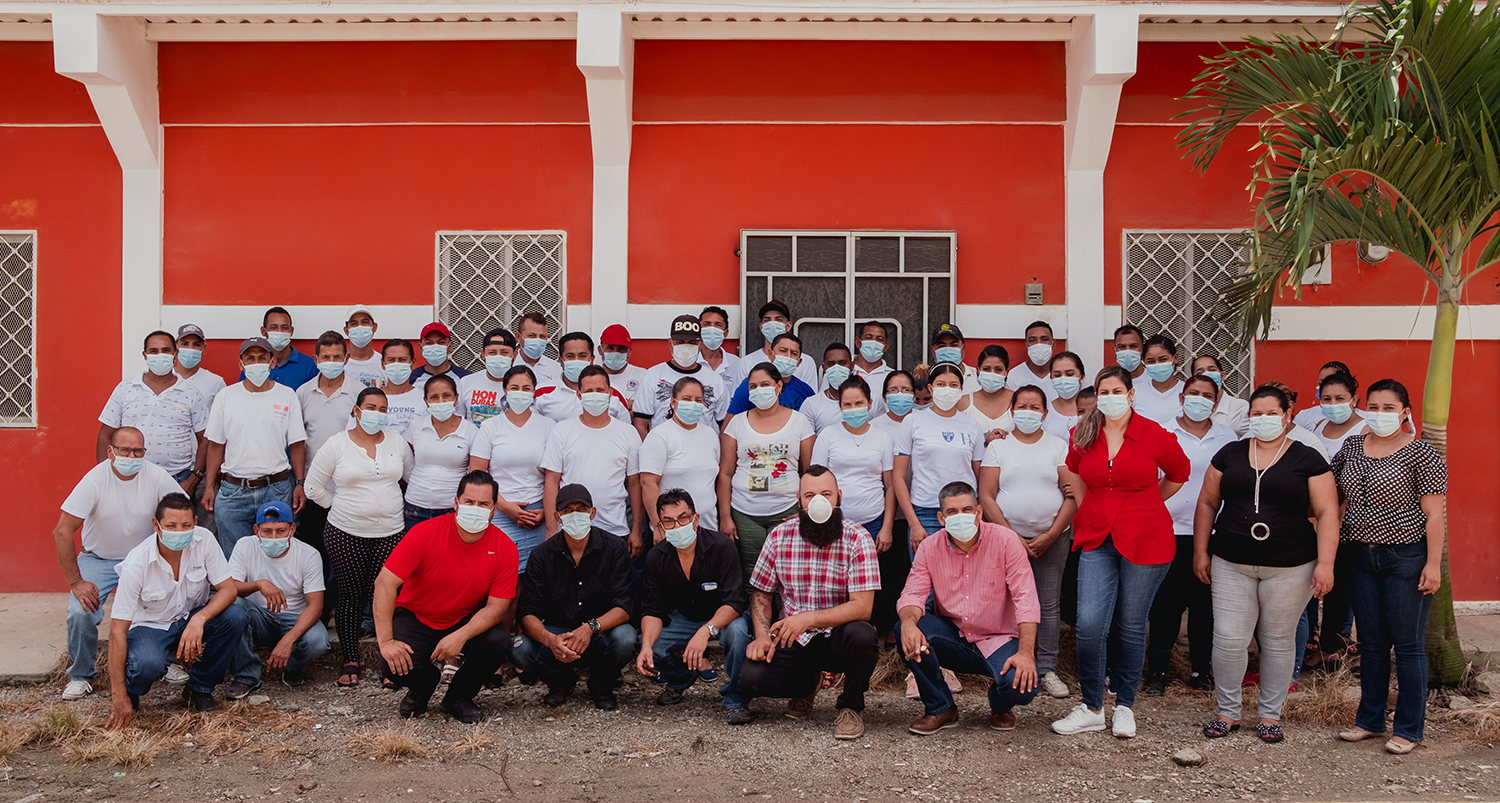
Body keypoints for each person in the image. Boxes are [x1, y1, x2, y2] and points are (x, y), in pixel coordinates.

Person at [1193, 384, 1338, 743]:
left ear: (1288, 416)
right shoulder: (1230, 454)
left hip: (1292, 565)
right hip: (1231, 561)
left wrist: (1326, 563)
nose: (1263, 420)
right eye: (1256, 414)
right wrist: (1200, 550)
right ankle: (1227, 711)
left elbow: (1327, 511)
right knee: (1228, 639)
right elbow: (1207, 503)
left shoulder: (1307, 458)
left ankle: (1270, 715)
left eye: (1271, 414)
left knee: (1277, 640)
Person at [1052, 365, 1189, 738]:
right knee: (1090, 624)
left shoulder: (1154, 434)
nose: (1109, 398)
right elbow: (1076, 472)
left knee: (1130, 624)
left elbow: (1180, 472)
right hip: (1097, 536)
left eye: (1117, 391)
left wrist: (1147, 502)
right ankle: (1093, 706)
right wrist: (1086, 505)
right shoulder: (1082, 433)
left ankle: (1125, 706)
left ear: (1130, 394)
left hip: (1147, 537)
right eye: (1103, 391)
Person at [1332, 379, 1445, 754]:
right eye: (1374, 407)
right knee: (1372, 643)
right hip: (1358, 556)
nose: (1380, 415)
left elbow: (1433, 514)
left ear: (1405, 413)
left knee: (1408, 645)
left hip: (1406, 558)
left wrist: (1432, 564)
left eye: (1388, 408)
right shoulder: (1351, 447)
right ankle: (1370, 721)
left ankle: (1409, 729)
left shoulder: (1422, 454)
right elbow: (1334, 497)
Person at [738, 467, 881, 739]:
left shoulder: (858, 538)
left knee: (862, 635)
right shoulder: (780, 536)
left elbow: (863, 607)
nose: (818, 501)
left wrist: (808, 618)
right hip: (794, 638)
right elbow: (761, 592)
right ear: (800, 500)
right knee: (751, 679)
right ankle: (806, 686)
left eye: (826, 494)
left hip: (838, 636)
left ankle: (851, 706)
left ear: (839, 497)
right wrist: (761, 636)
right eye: (810, 495)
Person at [374, 470, 519, 722]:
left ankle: (458, 696)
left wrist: (460, 637)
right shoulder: (424, 533)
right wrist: (386, 641)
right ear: (456, 503)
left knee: (499, 642)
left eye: (483, 504)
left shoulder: (506, 548)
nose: (476, 508)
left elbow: (497, 607)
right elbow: (385, 583)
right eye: (469, 502)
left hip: (465, 618)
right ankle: (423, 685)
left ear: (494, 509)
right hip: (417, 616)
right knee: (392, 664)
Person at [898, 481, 1040, 733]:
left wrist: (1026, 653)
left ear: (979, 512)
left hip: (998, 637)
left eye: (967, 509)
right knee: (905, 629)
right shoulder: (930, 547)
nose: (961, 517)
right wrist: (908, 624)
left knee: (1023, 686)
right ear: (941, 518)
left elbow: (1025, 599)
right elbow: (913, 593)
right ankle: (941, 708)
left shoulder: (1006, 541)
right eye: (952, 512)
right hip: (953, 636)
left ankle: (1000, 704)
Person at [54, 426, 183, 700]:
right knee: (80, 612)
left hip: (145, 558)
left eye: (138, 450)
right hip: (99, 558)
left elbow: (181, 511)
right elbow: (62, 531)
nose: (131, 455)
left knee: (169, 603)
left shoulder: (157, 476)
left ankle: (164, 662)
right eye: (124, 450)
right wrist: (76, 582)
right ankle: (81, 674)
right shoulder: (94, 480)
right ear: (111, 451)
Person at [103, 493, 247, 728]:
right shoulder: (136, 564)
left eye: (186, 525)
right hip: (151, 627)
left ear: (196, 523)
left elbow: (228, 589)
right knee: (146, 663)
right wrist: (117, 694)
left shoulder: (204, 540)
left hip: (190, 616)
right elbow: (117, 632)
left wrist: (199, 619)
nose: (179, 532)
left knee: (235, 615)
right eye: (171, 526)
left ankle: (199, 688)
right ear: (155, 525)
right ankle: (131, 691)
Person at [304, 387, 415, 688]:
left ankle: (389, 659)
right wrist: (339, 506)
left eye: (382, 408)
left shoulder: (396, 442)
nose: (376, 413)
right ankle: (350, 658)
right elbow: (312, 488)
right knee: (351, 596)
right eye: (370, 407)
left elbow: (408, 477)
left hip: (391, 533)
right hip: (345, 533)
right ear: (356, 410)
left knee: (387, 596)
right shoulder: (337, 445)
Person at [977, 385, 1077, 700]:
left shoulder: (1059, 446)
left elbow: (1073, 496)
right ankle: (1008, 661)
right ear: (1012, 409)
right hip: (1006, 539)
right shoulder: (999, 448)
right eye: (1022, 405)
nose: (1028, 411)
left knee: (1047, 604)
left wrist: (1050, 535)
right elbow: (986, 496)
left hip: (1053, 539)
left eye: (1035, 407)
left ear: (1045, 414)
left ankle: (1046, 668)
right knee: (1005, 601)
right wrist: (1010, 536)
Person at [1145, 374, 1237, 696]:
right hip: (1168, 529)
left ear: (1217, 399)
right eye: (1193, 393)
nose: (1200, 399)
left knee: (1205, 607)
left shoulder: (1228, 437)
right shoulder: (1161, 433)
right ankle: (1157, 671)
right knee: (1165, 607)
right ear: (1182, 397)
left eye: (1207, 394)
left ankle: (1201, 670)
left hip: (1213, 533)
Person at [512, 483, 637, 710]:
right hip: (558, 633)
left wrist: (590, 628)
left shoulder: (615, 548)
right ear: (557, 517)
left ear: (592, 513)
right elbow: (528, 611)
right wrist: (550, 640)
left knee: (626, 638)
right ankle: (561, 682)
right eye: (568, 511)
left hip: (599, 631)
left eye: (581, 509)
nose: (575, 515)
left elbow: (625, 605)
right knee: (520, 648)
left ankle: (601, 684)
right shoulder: (542, 555)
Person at [636, 490, 752, 716]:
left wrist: (705, 631)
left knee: (737, 634)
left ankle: (737, 700)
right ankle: (680, 678)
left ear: (695, 519)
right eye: (668, 521)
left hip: (726, 616)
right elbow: (652, 609)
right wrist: (647, 646)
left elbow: (735, 601)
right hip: (687, 617)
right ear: (660, 526)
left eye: (683, 518)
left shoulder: (721, 547)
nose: (677, 526)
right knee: (648, 642)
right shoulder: (656, 557)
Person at [204, 337, 308, 557]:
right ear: (241, 364)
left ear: (272, 362)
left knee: (277, 556)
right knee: (235, 560)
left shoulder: (287, 395)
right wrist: (209, 486)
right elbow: (215, 445)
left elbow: (297, 444)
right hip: (233, 492)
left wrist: (299, 483)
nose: (256, 363)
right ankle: (242, 594)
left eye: (262, 358)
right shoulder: (226, 396)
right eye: (250, 359)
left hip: (277, 488)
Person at [719, 362, 816, 577]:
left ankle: (786, 613)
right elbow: (725, 473)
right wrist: (725, 517)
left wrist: (804, 511)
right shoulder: (736, 423)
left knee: (787, 574)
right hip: (744, 513)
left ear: (779, 386)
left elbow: (809, 472)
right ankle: (755, 613)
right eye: (753, 386)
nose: (758, 390)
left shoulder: (800, 422)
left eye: (765, 384)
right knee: (752, 575)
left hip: (787, 511)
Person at [226, 502, 328, 694]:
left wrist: (288, 640)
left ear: (292, 529)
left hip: (294, 619)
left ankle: (293, 667)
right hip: (258, 617)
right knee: (233, 606)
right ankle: (245, 675)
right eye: (267, 531)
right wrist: (258, 584)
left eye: (280, 531)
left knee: (318, 640)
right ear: (256, 530)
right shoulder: (245, 545)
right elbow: (230, 589)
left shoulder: (309, 554)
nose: (274, 537)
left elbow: (316, 607)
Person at [540, 366, 643, 554]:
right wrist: (551, 528)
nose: (595, 395)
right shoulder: (562, 430)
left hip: (615, 529)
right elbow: (552, 481)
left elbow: (635, 485)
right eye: (588, 391)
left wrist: (636, 530)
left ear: (610, 393)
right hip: (569, 529)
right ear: (579, 395)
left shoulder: (628, 433)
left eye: (600, 390)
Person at [98, 330, 209, 497]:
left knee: (174, 524)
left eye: (166, 350)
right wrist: (107, 476)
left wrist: (194, 478)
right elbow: (104, 436)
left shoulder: (191, 393)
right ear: (145, 355)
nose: (160, 355)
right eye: (153, 351)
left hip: (178, 479)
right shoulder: (125, 389)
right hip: (131, 478)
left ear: (175, 353)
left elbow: (205, 439)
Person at [469, 366, 555, 571]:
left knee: (538, 577)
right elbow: (476, 475)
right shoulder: (491, 427)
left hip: (539, 515)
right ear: (505, 390)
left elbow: (555, 475)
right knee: (502, 575)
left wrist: (546, 511)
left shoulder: (549, 425)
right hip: (499, 513)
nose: (520, 392)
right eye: (514, 387)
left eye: (526, 388)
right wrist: (505, 507)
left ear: (534, 391)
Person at [893, 363, 985, 553]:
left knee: (964, 576)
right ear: (930, 388)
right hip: (925, 512)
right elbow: (898, 477)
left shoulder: (972, 426)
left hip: (965, 511)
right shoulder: (913, 421)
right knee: (926, 578)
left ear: (961, 389)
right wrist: (914, 523)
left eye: (953, 385)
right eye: (941, 384)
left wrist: (977, 514)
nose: (947, 390)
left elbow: (979, 477)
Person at [295, 331, 360, 592]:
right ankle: (318, 610)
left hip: (349, 487)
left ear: (346, 358)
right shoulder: (303, 393)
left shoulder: (359, 392)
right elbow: (298, 441)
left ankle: (342, 605)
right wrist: (299, 482)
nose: (331, 361)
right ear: (316, 358)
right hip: (314, 487)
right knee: (315, 550)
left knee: (348, 554)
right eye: (325, 357)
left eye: (336, 356)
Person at [811, 376, 895, 554]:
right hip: (832, 521)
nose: (853, 409)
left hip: (874, 522)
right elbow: (815, 481)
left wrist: (887, 527)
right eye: (847, 404)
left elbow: (890, 485)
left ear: (870, 403)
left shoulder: (883, 438)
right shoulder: (828, 435)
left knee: (868, 579)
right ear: (840, 406)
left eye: (859, 403)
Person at [641, 376, 723, 536]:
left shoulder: (710, 434)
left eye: (698, 400)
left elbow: (714, 479)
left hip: (708, 528)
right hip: (673, 531)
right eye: (687, 399)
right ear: (673, 402)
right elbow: (648, 483)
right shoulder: (659, 436)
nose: (693, 404)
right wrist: (659, 526)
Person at [634, 315, 729, 437]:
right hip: (663, 451)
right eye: (679, 342)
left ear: (700, 345)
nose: (685, 347)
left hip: (702, 449)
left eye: (692, 343)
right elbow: (640, 423)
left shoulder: (715, 380)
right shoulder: (653, 375)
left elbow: (725, 426)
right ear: (670, 343)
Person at [403, 374, 477, 532]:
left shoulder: (471, 431)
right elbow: (407, 461)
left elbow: (474, 471)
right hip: (415, 507)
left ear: (456, 399)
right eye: (434, 397)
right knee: (417, 554)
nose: (441, 401)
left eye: (446, 396)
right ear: (426, 401)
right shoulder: (416, 425)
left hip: (452, 509)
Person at [534, 332, 631, 424]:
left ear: (592, 359)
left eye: (582, 356)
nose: (576, 361)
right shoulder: (541, 393)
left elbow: (625, 429)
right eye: (570, 356)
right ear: (561, 360)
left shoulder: (613, 394)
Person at [732, 300, 818, 389]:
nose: (772, 324)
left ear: (788, 326)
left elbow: (810, 399)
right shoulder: (746, 363)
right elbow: (740, 399)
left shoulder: (806, 362)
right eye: (767, 320)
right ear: (761, 327)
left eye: (778, 319)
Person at [726, 333, 818, 414]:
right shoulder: (751, 385)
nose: (788, 356)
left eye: (794, 353)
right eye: (783, 350)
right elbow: (730, 426)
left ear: (799, 361)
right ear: (770, 354)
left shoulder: (806, 392)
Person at [1254, 382, 1330, 461]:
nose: (1264, 417)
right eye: (1258, 412)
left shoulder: (1309, 443)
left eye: (1272, 412)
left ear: (1289, 407)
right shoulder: (1248, 438)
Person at [247, 307, 318, 390]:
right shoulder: (253, 365)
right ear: (263, 331)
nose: (279, 331)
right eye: (273, 327)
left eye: (284, 327)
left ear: (291, 331)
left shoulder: (309, 365)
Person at [457, 328, 518, 425]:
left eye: (504, 352)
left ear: (515, 355)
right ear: (483, 354)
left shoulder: (523, 386)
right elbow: (457, 421)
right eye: (492, 352)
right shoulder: (466, 383)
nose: (498, 357)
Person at [961, 345, 1015, 444]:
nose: (992, 373)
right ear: (978, 370)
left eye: (998, 369)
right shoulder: (963, 403)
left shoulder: (1019, 401)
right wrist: (985, 442)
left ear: (1007, 372)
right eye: (986, 369)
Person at [799, 343, 857, 433]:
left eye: (843, 363)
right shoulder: (811, 404)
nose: (837, 368)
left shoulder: (870, 401)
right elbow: (806, 443)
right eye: (831, 364)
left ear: (852, 366)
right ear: (824, 368)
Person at [1310, 371, 1370, 457]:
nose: (1333, 404)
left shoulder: (1365, 431)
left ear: (1354, 400)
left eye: (1340, 398)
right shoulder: (1320, 425)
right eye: (1327, 399)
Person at [1191, 353, 1249, 437]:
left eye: (1212, 370)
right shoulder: (1188, 407)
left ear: (1222, 376)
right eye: (1200, 373)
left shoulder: (1240, 408)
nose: (1207, 375)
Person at [1293, 360, 1361, 430]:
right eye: (1321, 383)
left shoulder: (1365, 421)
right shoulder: (1305, 416)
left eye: (1340, 398)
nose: (1333, 403)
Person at [1133, 334, 1184, 425]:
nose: (1157, 364)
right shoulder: (1135, 393)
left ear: (1175, 358)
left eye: (1163, 359)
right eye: (1151, 361)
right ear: (1144, 362)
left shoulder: (1187, 391)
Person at [379, 339, 425, 434]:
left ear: (413, 363)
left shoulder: (425, 399)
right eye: (391, 360)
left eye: (402, 359)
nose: (396, 364)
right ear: (382, 364)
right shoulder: (370, 399)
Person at [173, 323, 227, 406]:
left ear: (203, 349)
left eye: (196, 344)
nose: (191, 348)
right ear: (176, 347)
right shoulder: (162, 378)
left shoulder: (216, 383)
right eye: (185, 344)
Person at [696, 305, 741, 398]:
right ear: (699, 330)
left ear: (725, 333)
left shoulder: (736, 364)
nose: (712, 328)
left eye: (718, 324)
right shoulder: (690, 361)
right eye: (707, 324)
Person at [598, 323, 647, 408]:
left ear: (630, 352)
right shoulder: (591, 377)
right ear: (600, 350)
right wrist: (627, 405)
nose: (615, 353)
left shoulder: (643, 375)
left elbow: (646, 407)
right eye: (610, 348)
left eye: (621, 349)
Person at [1006, 321, 1058, 400]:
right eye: (1032, 340)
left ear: (1053, 344)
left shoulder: (1065, 375)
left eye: (1044, 339)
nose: (1039, 344)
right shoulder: (1013, 376)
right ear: (1026, 345)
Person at [411, 322, 471, 390]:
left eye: (441, 342)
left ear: (450, 346)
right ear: (420, 347)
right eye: (429, 343)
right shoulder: (410, 379)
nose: (435, 347)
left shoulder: (465, 378)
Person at [1043, 352, 1086, 442]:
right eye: (1057, 375)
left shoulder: (1095, 410)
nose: (1063, 379)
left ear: (1082, 376)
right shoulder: (1044, 412)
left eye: (1070, 374)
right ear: (1051, 377)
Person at [514, 310, 563, 388]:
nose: (537, 340)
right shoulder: (509, 366)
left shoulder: (557, 369)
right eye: (531, 335)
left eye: (542, 336)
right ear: (518, 337)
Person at [929, 323, 980, 393]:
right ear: (933, 351)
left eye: (954, 345)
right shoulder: (925, 379)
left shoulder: (978, 378)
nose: (948, 349)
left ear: (963, 349)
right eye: (942, 346)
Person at [342, 305, 385, 387]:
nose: (360, 327)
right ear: (346, 331)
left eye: (365, 322)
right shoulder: (337, 363)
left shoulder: (384, 364)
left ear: (374, 327)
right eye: (354, 323)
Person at [851, 321, 894, 398]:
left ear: (886, 346)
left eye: (879, 339)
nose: (874, 342)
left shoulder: (892, 377)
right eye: (868, 337)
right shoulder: (842, 370)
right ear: (858, 342)